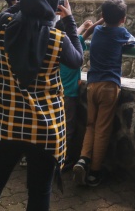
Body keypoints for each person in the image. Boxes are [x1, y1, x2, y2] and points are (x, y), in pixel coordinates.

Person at [0, 0, 84, 211]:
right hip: (46, 130)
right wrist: (70, 20)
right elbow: (78, 60)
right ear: (54, 2)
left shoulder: (3, 34)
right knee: (39, 191)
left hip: (7, 125)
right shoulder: (58, 40)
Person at [73, 0, 135, 187]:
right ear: (123, 19)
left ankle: (83, 158)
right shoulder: (121, 32)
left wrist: (99, 22)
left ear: (103, 17)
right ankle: (94, 172)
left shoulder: (98, 31)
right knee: (102, 130)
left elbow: (86, 35)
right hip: (109, 87)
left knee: (90, 125)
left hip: (92, 85)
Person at [56, 19, 92, 170]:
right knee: (68, 128)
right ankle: (64, 160)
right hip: (69, 95)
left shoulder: (54, 45)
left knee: (57, 127)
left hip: (57, 93)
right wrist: (101, 20)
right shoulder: (72, 52)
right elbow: (86, 34)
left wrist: (82, 25)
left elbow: (75, 35)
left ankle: (54, 158)